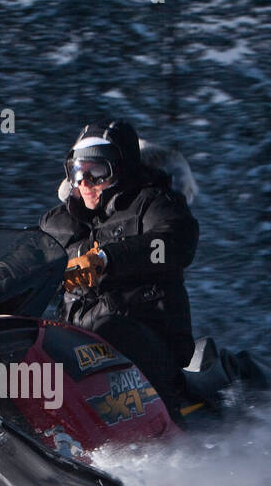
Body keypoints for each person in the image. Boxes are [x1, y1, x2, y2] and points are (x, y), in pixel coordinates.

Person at [39, 120, 198, 407]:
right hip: (76, 344)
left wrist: (106, 259)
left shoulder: (155, 203)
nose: (85, 183)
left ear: (121, 169)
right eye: (77, 172)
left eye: (97, 172)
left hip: (146, 341)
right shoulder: (59, 223)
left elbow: (176, 240)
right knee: (22, 343)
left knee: (108, 330)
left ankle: (170, 436)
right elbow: (26, 256)